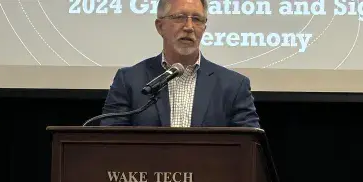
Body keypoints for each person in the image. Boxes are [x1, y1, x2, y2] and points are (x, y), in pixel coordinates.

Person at [100, 0, 260, 128]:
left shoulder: (234, 86)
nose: (189, 27)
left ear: (204, 28)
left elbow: (249, 150)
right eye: (179, 17)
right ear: (159, 26)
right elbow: (110, 144)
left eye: (197, 19)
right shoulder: (129, 80)